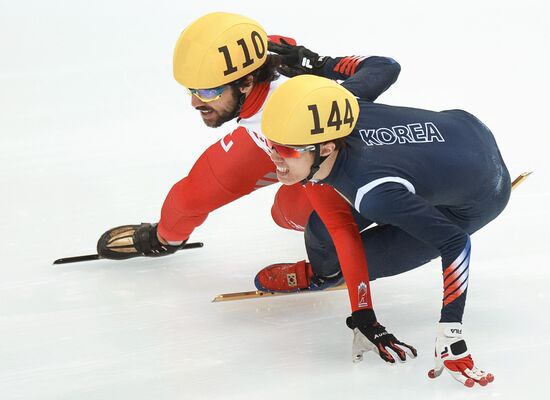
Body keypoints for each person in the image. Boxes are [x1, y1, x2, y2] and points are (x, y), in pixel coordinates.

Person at [257, 75, 509, 387]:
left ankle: (326, 272)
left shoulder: (373, 192)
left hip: (479, 197)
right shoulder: (337, 107)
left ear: (326, 147)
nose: (274, 157)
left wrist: (451, 331)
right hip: (464, 129)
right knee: (320, 231)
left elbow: (455, 242)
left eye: (288, 151)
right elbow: (380, 68)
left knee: (361, 259)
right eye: (271, 144)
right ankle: (402, 211)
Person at [95, 12, 402, 265]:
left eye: (207, 92)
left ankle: (392, 216)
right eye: (191, 90)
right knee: (186, 199)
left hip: (314, 150)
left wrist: (325, 70)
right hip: (266, 139)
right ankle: (167, 239)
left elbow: (385, 67)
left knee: (287, 213)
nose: (194, 103)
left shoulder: (302, 101)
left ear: (245, 82)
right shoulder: (256, 58)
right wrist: (165, 236)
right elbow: (276, 42)